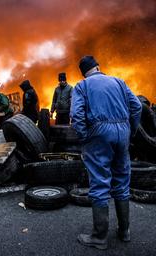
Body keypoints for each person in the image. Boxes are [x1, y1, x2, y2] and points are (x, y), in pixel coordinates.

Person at [71, 56, 142, 250]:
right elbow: (137, 106)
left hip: (99, 134)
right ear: (98, 67)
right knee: (121, 179)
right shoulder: (118, 81)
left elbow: (76, 115)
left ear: (83, 72)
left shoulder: (82, 86)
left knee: (100, 181)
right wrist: (131, 130)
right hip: (123, 132)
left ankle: (99, 236)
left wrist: (85, 137)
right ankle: (124, 231)